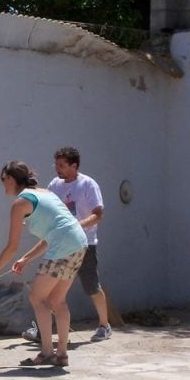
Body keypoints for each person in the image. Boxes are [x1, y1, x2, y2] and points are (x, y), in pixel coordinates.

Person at [0, 161, 87, 367]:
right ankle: (62, 354)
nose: (3, 185)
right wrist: (26, 258)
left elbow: (11, 246)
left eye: (3, 180)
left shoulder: (20, 203)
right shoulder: (45, 193)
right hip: (78, 244)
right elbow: (51, 234)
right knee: (58, 300)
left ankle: (47, 352)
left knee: (37, 298)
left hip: (63, 247)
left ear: (10, 179)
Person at [47, 146, 112, 342]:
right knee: (51, 286)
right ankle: (44, 330)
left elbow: (98, 214)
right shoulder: (54, 185)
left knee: (91, 286)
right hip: (60, 244)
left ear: (74, 166)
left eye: (61, 165)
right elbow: (46, 207)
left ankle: (104, 325)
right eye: (56, 164)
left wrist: (78, 226)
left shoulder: (88, 185)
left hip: (85, 244)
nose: (57, 168)